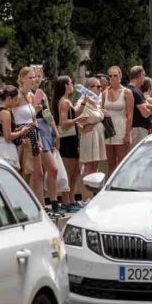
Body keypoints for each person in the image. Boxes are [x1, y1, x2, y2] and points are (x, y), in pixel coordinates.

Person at [53, 76, 89, 211]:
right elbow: (63, 123)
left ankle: (72, 199)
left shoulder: (67, 101)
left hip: (72, 138)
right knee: (68, 171)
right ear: (65, 85)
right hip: (67, 139)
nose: (72, 85)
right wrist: (78, 119)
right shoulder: (63, 102)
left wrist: (84, 103)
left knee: (75, 171)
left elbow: (73, 115)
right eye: (70, 83)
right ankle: (66, 201)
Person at [13, 67, 46, 204]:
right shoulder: (17, 96)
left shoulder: (31, 96)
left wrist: (39, 139)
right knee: (25, 172)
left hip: (33, 134)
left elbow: (34, 120)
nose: (34, 80)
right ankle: (23, 204)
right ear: (21, 79)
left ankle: (40, 206)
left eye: (35, 77)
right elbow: (7, 114)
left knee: (38, 172)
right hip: (23, 137)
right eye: (30, 77)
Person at [31, 65, 60, 212]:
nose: (36, 79)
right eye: (34, 76)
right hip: (37, 131)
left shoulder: (42, 94)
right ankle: (42, 205)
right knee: (50, 169)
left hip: (46, 131)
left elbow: (48, 115)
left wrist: (55, 132)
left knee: (44, 171)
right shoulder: (27, 95)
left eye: (39, 76)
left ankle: (51, 203)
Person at [78, 78, 106, 204]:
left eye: (101, 86)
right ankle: (85, 197)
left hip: (98, 134)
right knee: (88, 166)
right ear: (89, 88)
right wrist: (81, 128)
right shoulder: (82, 101)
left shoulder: (97, 101)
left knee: (95, 166)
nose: (100, 89)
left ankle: (92, 196)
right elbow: (74, 115)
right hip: (89, 135)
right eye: (97, 86)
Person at [102, 66, 133, 175]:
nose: (113, 78)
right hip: (108, 128)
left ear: (120, 76)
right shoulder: (104, 92)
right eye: (110, 76)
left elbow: (130, 115)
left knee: (122, 161)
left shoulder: (127, 92)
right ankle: (110, 187)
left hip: (122, 127)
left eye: (115, 75)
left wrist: (127, 134)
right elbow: (101, 110)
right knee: (110, 162)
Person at [0, 85, 31, 170]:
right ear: (9, 98)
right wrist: (22, 132)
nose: (16, 102)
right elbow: (8, 137)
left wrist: (17, 130)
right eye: (15, 99)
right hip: (6, 149)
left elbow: (2, 131)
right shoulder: (6, 113)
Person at [127, 66, 152, 149]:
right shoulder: (136, 92)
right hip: (138, 130)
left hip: (132, 129)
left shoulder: (125, 89)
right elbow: (145, 114)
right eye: (144, 75)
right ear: (140, 75)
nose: (144, 78)